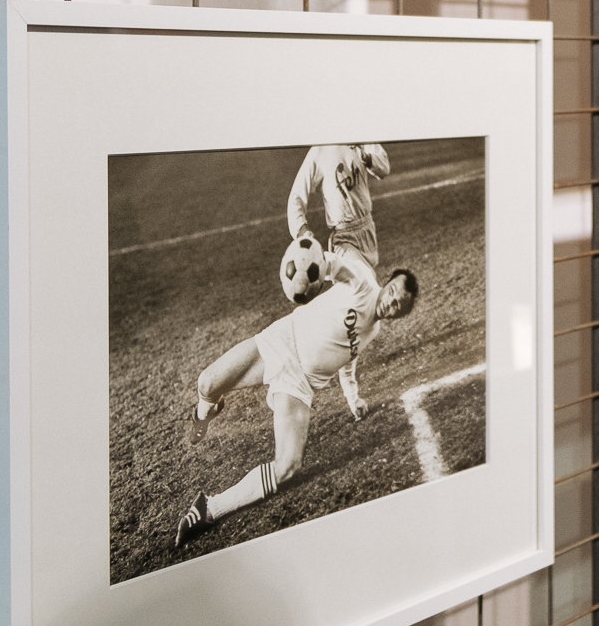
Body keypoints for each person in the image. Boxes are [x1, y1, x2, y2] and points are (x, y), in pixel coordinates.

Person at [174, 259, 420, 546]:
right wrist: (310, 258)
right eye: (392, 292)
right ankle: (205, 413)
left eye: (399, 306)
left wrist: (353, 397)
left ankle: (209, 509)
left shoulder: (373, 330)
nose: (391, 303)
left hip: (298, 383)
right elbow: (329, 263)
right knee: (207, 382)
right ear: (386, 283)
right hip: (282, 340)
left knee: (288, 466)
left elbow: (347, 358)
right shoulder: (362, 280)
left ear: (400, 315)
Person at [288, 143, 390, 274]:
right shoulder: (320, 151)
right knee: (368, 279)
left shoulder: (359, 136)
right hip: (343, 237)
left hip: (368, 229)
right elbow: (296, 195)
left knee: (360, 288)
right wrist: (302, 230)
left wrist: (366, 157)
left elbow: (384, 168)